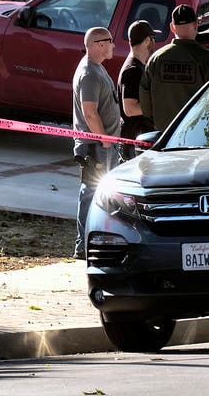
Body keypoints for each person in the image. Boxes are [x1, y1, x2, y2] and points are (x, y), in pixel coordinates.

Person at [72, 26, 122, 260]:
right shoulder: (89, 73)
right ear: (100, 44)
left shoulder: (97, 68)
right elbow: (89, 112)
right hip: (95, 146)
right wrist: (104, 139)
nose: (113, 45)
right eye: (110, 41)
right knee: (91, 193)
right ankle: (83, 245)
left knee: (101, 193)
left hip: (103, 145)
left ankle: (96, 239)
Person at [139, 4, 209, 132]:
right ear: (196, 24)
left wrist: (155, 120)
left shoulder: (156, 58)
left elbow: (145, 96)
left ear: (172, 27)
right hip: (197, 131)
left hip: (164, 133)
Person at [116, 19, 157, 162]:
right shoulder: (132, 70)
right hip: (133, 142)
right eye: (153, 38)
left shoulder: (138, 66)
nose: (154, 42)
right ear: (147, 41)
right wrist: (157, 106)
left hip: (137, 140)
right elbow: (130, 109)